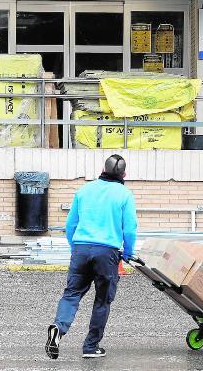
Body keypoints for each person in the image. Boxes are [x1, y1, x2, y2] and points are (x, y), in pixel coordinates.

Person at [45, 154, 137, 360]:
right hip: (107, 253)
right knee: (102, 300)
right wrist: (128, 253)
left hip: (81, 248)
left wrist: (75, 247)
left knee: (72, 294)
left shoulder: (84, 190)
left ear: (102, 169)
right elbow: (129, 229)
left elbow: (70, 225)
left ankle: (58, 328)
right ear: (124, 174)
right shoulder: (124, 194)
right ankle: (91, 346)